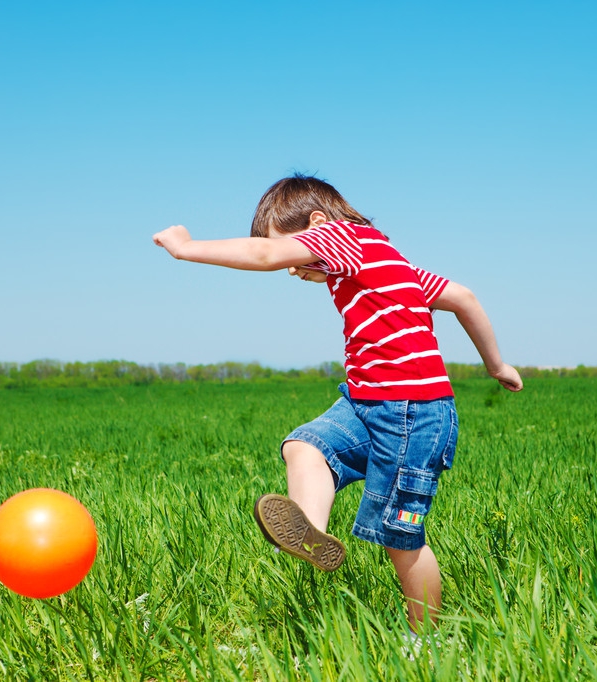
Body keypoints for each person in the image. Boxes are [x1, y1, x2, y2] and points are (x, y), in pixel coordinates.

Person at [153, 174, 522, 633]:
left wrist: (186, 248)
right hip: (366, 403)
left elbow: (265, 255)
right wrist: (497, 364)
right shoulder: (388, 262)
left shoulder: (343, 237)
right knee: (306, 446)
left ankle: (426, 639)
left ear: (317, 224)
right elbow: (463, 297)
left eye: (294, 250)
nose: (293, 268)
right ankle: (308, 532)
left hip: (413, 412)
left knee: (399, 537)